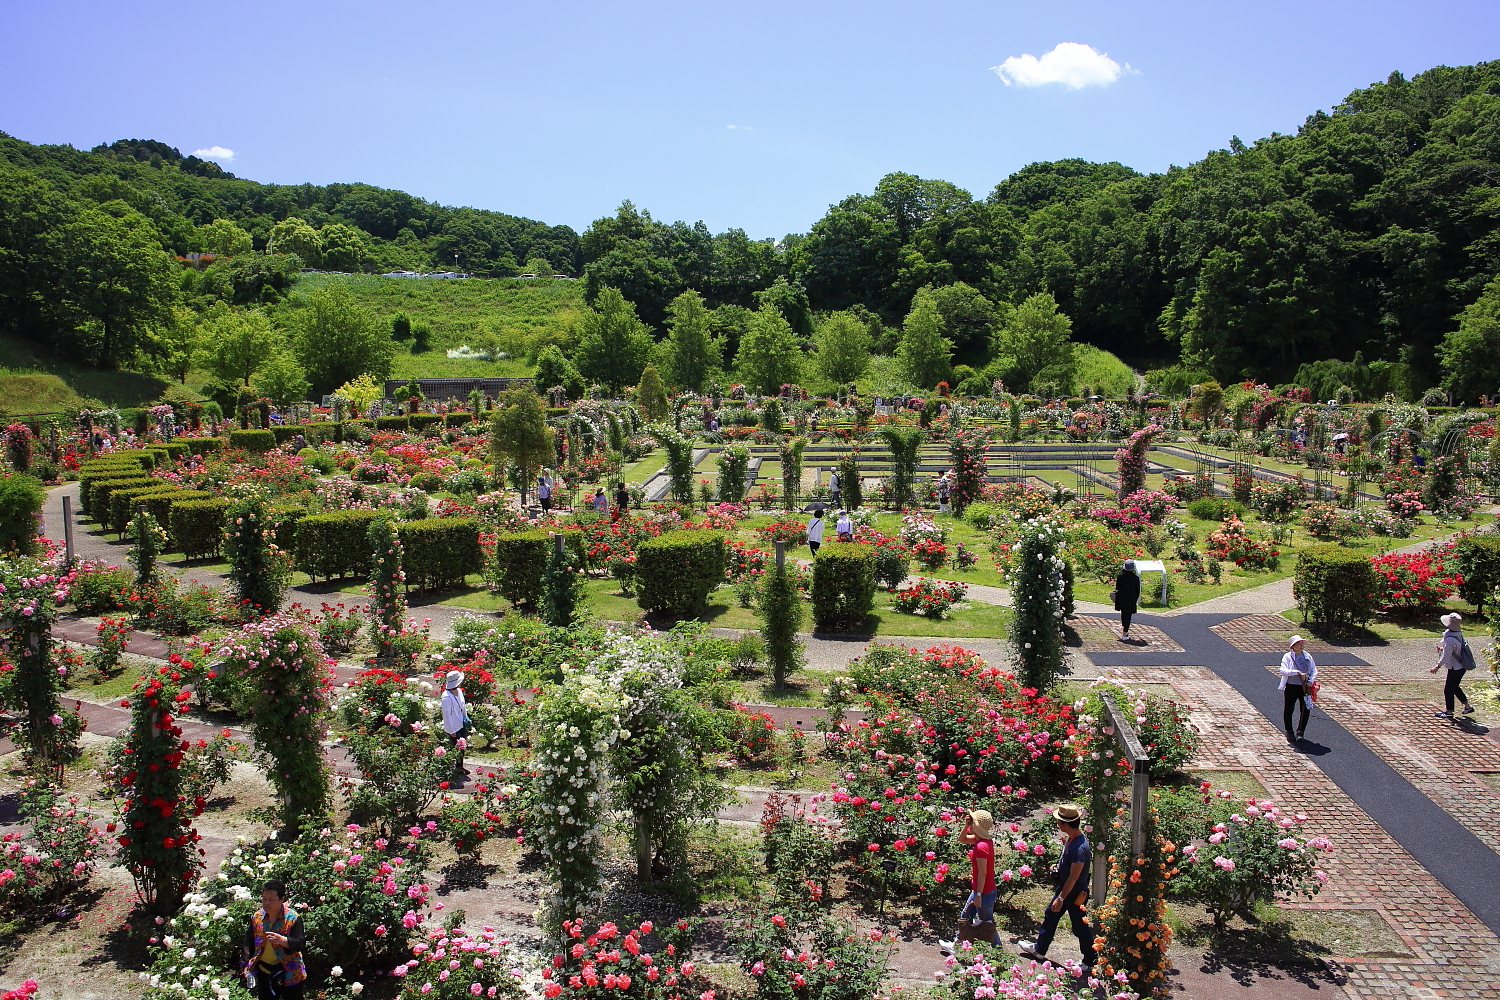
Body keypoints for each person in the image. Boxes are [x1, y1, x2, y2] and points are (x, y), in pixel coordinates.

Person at [1018, 805, 1096, 967]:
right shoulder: (1072, 838)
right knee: (1050, 915)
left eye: (1058, 821)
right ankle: (1039, 949)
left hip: (1073, 892)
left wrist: (1060, 898)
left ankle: (1090, 961)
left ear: (1065, 824)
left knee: (1080, 926)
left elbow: (1074, 877)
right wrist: (1058, 866)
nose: (1057, 823)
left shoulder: (1079, 848)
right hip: (1065, 888)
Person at [938, 810, 1000, 953]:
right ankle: (957, 944)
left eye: (972, 821)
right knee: (965, 916)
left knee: (987, 923)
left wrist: (978, 894)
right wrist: (966, 826)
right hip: (979, 890)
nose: (969, 822)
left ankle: (998, 951)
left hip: (983, 891)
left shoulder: (980, 847)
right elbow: (962, 839)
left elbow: (983, 873)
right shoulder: (982, 840)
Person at [242, 879, 307, 998]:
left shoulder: (292, 918)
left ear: (282, 899)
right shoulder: (257, 917)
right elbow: (249, 942)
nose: (266, 903)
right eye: (264, 899)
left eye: (271, 899)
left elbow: (300, 943)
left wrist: (283, 941)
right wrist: (246, 966)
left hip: (289, 971)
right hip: (264, 970)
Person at [1430, 612, 1476, 718]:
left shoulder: (1449, 639)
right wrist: (1443, 649)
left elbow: (1446, 657)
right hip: (1461, 666)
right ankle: (1467, 706)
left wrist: (1437, 666)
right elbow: (1454, 650)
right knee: (1454, 687)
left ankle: (1449, 711)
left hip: (1455, 667)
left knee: (1448, 689)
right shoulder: (1458, 634)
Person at [1280, 636, 1317, 743]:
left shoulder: (1308, 656)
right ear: (1293, 646)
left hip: (1305, 687)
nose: (1301, 645)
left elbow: (1314, 670)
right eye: (1299, 643)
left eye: (1302, 643)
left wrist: (1311, 680)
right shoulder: (1287, 657)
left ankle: (1301, 732)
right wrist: (1296, 672)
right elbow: (1283, 670)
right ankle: (1289, 731)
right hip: (1291, 686)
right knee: (1289, 708)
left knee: (1306, 708)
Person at [441, 670, 471, 788]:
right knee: (455, 748)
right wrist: (451, 731)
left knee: (461, 748)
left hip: (461, 723)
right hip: (453, 726)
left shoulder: (458, 692)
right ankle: (452, 769)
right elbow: (447, 716)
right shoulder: (446, 698)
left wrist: (465, 717)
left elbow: (462, 706)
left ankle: (459, 767)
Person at [1113, 560, 1141, 639]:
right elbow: (1137, 591)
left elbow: (1117, 588)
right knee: (1128, 616)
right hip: (1130, 599)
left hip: (1121, 598)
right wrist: (1134, 600)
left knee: (1123, 613)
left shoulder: (1120, 576)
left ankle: (1124, 628)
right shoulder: (1135, 578)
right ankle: (1125, 633)